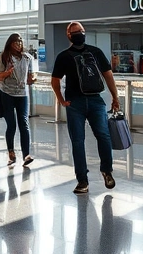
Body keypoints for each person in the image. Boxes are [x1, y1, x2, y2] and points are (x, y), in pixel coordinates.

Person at [50, 21, 120, 194]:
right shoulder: (64, 56)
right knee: (77, 141)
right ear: (69, 36)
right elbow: (55, 80)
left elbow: (108, 75)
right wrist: (60, 99)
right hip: (75, 103)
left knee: (103, 136)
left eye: (80, 31)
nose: (78, 34)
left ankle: (107, 171)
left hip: (96, 100)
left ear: (84, 32)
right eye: (74, 32)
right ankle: (82, 180)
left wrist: (115, 96)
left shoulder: (95, 52)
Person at [0, 33, 35, 168]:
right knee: (11, 124)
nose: (18, 45)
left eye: (20, 42)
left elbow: (31, 76)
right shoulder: (4, 57)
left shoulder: (27, 58)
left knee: (24, 123)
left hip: (22, 94)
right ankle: (11, 152)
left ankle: (26, 155)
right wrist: (7, 72)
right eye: (15, 42)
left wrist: (32, 79)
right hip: (6, 93)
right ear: (10, 43)